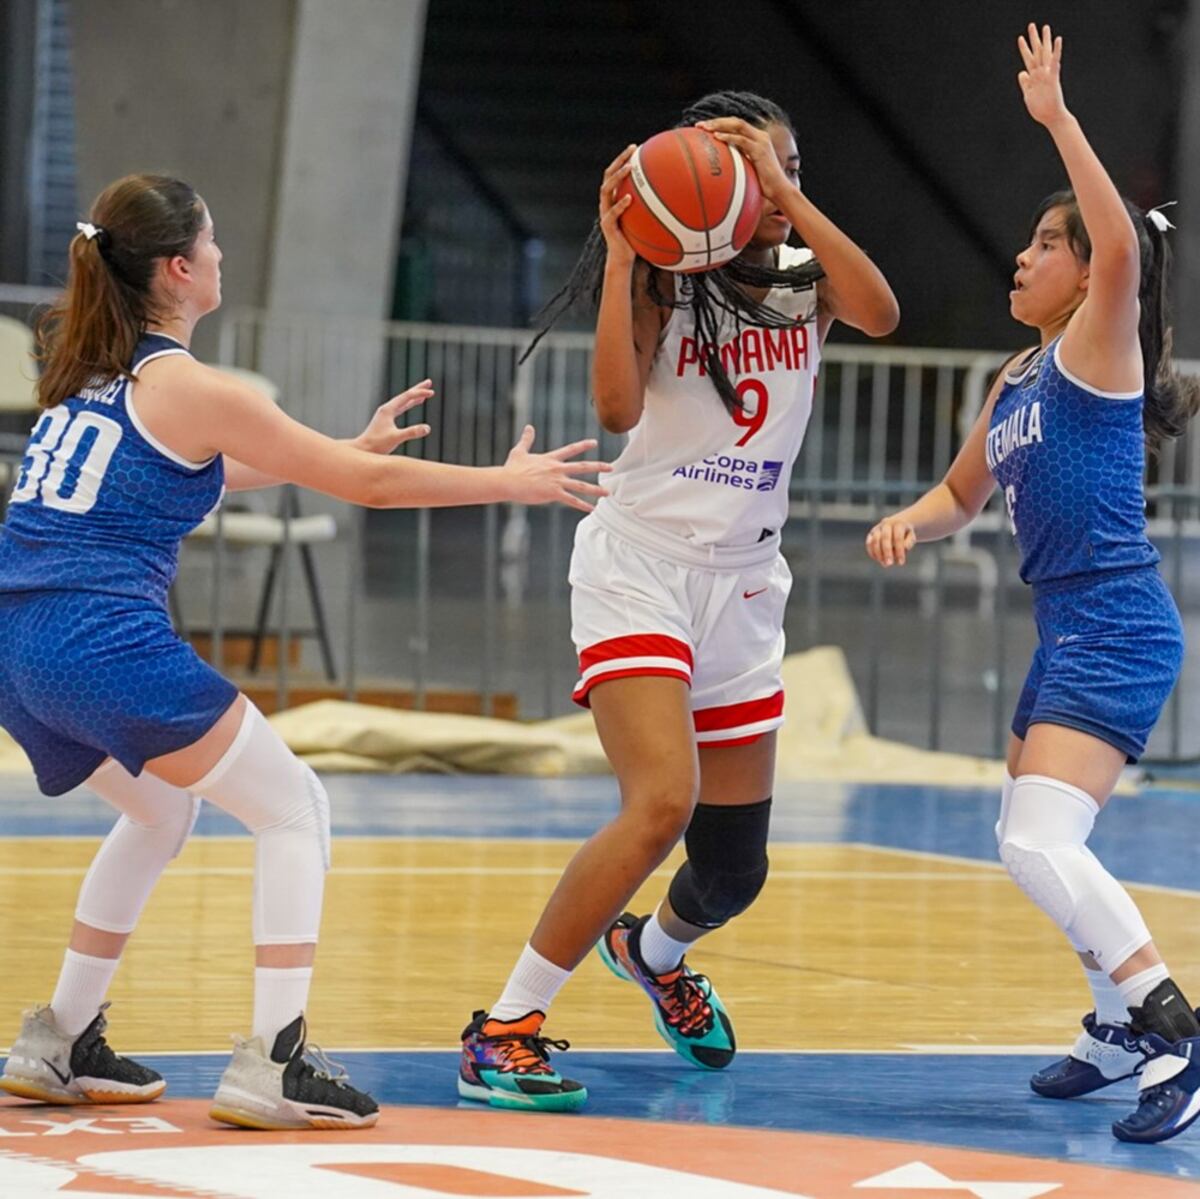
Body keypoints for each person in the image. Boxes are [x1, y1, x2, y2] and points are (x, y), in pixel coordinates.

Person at [0, 174, 608, 1130]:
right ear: (178, 268)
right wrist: (508, 479)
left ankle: (58, 1036)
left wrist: (329, 444)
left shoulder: (94, 375)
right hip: (96, 640)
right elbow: (366, 484)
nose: (222, 256)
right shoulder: (190, 383)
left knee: (159, 810)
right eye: (212, 241)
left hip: (19, 648)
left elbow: (193, 469)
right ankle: (274, 1056)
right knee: (296, 806)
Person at [458, 91, 899, 1111]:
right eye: (760, 170)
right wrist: (620, 256)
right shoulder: (664, 279)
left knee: (734, 871)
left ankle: (652, 951)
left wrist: (782, 188)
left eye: (793, 168)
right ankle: (505, 1027)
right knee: (662, 799)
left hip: (745, 582)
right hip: (642, 565)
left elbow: (880, 310)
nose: (782, 190)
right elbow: (614, 406)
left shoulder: (801, 279)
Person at [866, 26, 1200, 1145]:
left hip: (1114, 622)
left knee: (1034, 842)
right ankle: (1114, 1025)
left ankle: (1170, 1023)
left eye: (1039, 245)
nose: (1020, 258)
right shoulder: (1014, 379)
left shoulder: (1096, 346)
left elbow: (1121, 246)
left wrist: (1058, 118)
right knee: (1035, 831)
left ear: (1080, 271)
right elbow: (960, 493)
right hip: (1070, 632)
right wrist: (908, 521)